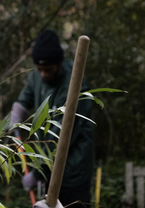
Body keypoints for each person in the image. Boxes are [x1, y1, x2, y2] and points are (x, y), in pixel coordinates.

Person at [9, 29, 94, 207]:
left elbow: (59, 138)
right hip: (49, 169)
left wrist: (37, 173)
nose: (43, 74)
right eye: (39, 69)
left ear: (59, 63)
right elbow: (29, 92)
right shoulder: (38, 76)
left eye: (48, 70)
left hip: (73, 174)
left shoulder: (75, 85)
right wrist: (18, 110)